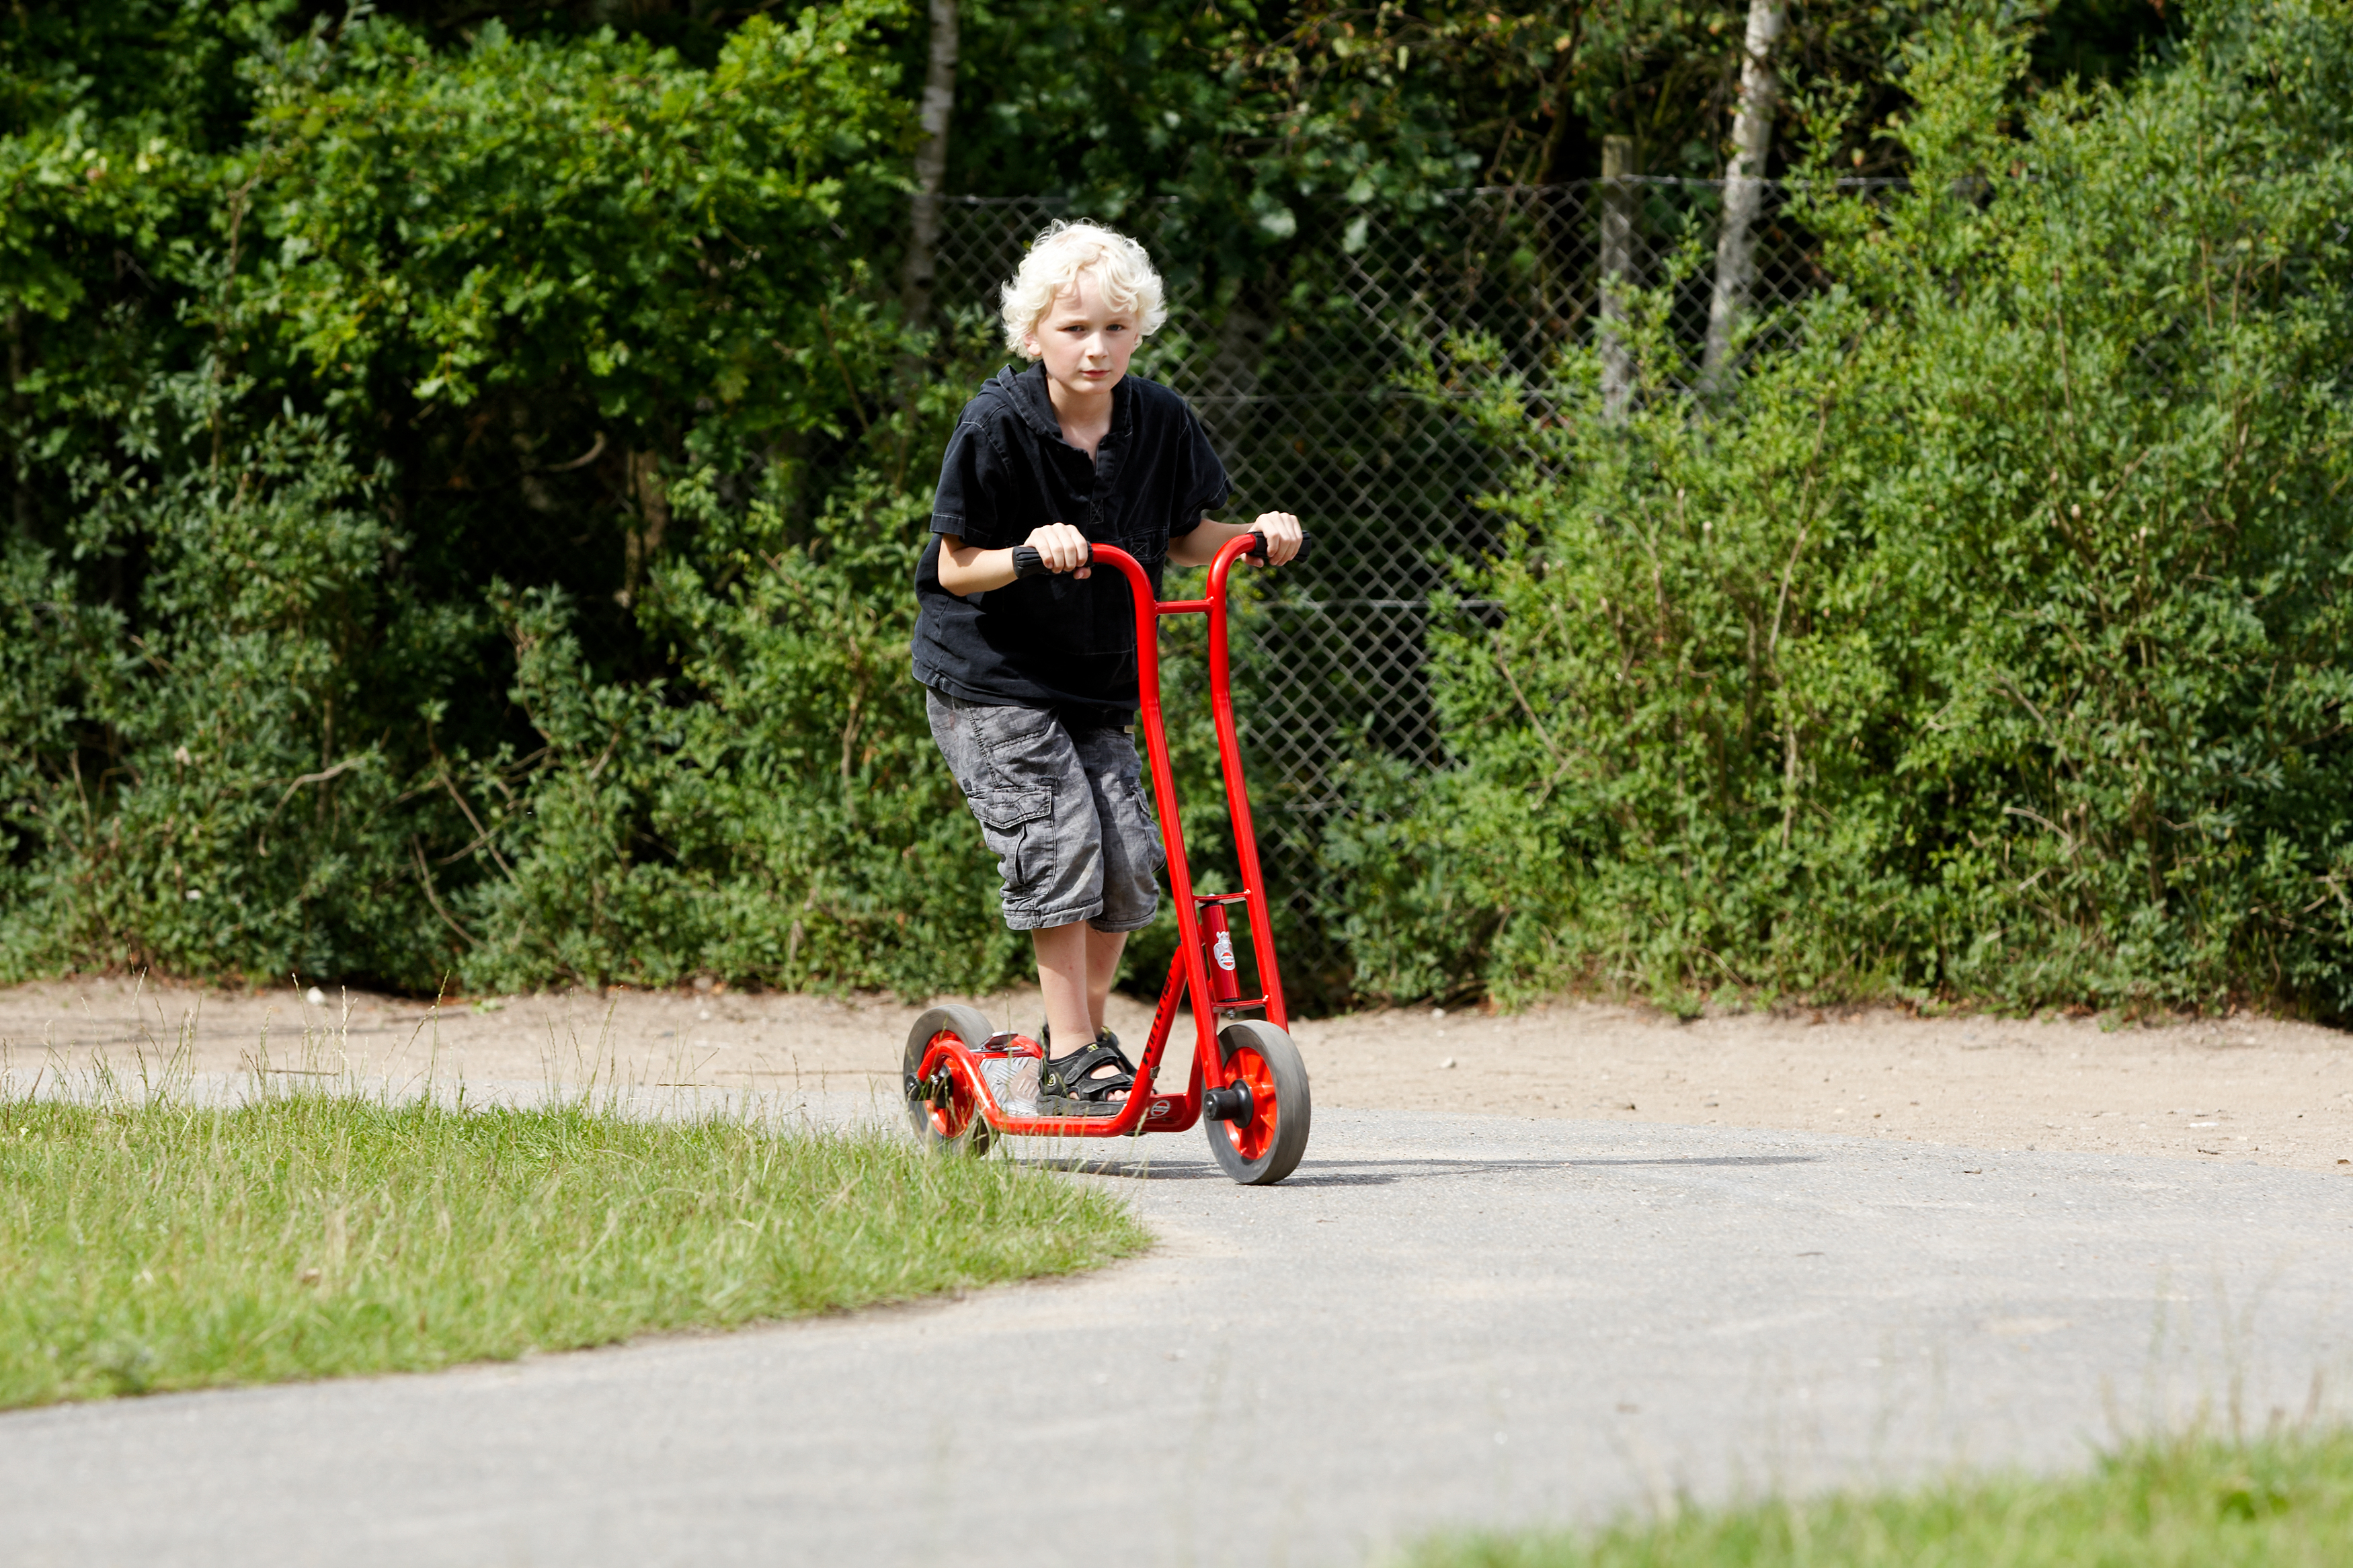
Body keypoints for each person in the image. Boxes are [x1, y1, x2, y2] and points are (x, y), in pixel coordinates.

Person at [911, 220, 1302, 1114]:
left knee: (1130, 856)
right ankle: (1079, 1047)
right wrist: (1030, 551)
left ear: (1140, 329)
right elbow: (953, 566)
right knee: (1060, 838)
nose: (1096, 348)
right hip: (993, 679)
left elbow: (1183, 534)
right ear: (1033, 333)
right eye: (1074, 329)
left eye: (1115, 329)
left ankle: (1074, 1044)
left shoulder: (1159, 420)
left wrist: (1256, 538)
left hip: (1096, 680)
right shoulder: (998, 427)